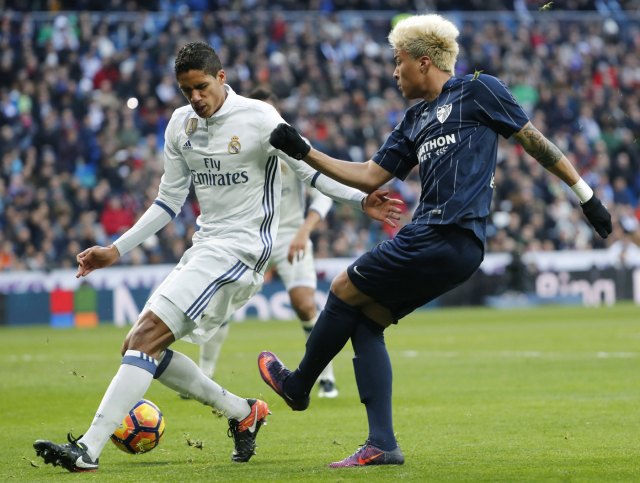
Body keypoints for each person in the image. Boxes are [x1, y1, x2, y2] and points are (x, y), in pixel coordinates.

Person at [257, 14, 613, 468]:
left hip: (447, 232)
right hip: (450, 245)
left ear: (423, 62)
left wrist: (586, 195)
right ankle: (382, 444)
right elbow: (370, 176)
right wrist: (304, 150)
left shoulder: (478, 90)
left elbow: (532, 139)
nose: (393, 72)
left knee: (344, 288)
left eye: (398, 61)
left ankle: (298, 385)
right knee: (366, 321)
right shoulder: (413, 119)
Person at [33, 41, 403, 472]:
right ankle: (241, 412)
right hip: (206, 246)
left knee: (146, 338)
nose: (195, 98)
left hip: (244, 249)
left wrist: (361, 200)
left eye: (202, 87)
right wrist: (116, 249)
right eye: (186, 90)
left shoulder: (259, 117)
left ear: (221, 78)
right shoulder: (180, 125)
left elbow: (308, 167)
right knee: (137, 346)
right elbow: (167, 202)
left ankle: (87, 449)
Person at [193, 87, 339, 399]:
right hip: (248, 236)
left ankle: (326, 378)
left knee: (305, 305)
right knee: (221, 303)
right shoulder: (236, 147)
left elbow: (324, 190)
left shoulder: (294, 144)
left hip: (289, 236)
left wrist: (305, 230)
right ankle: (203, 375)